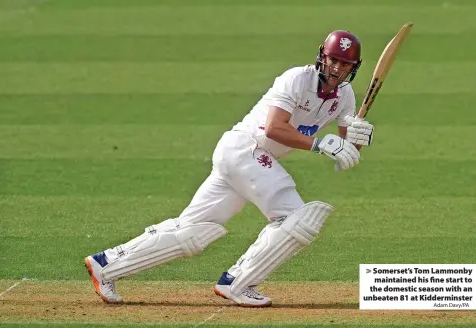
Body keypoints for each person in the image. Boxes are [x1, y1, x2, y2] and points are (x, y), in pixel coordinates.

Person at [84, 30, 375, 307]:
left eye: (344, 63)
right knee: (297, 218)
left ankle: (106, 265)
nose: (336, 68)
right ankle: (237, 281)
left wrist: (357, 138)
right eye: (333, 59)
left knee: (192, 232)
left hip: (247, 161)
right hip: (246, 149)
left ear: (353, 67)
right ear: (322, 56)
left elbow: (345, 153)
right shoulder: (297, 79)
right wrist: (318, 144)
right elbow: (274, 128)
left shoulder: (345, 97)